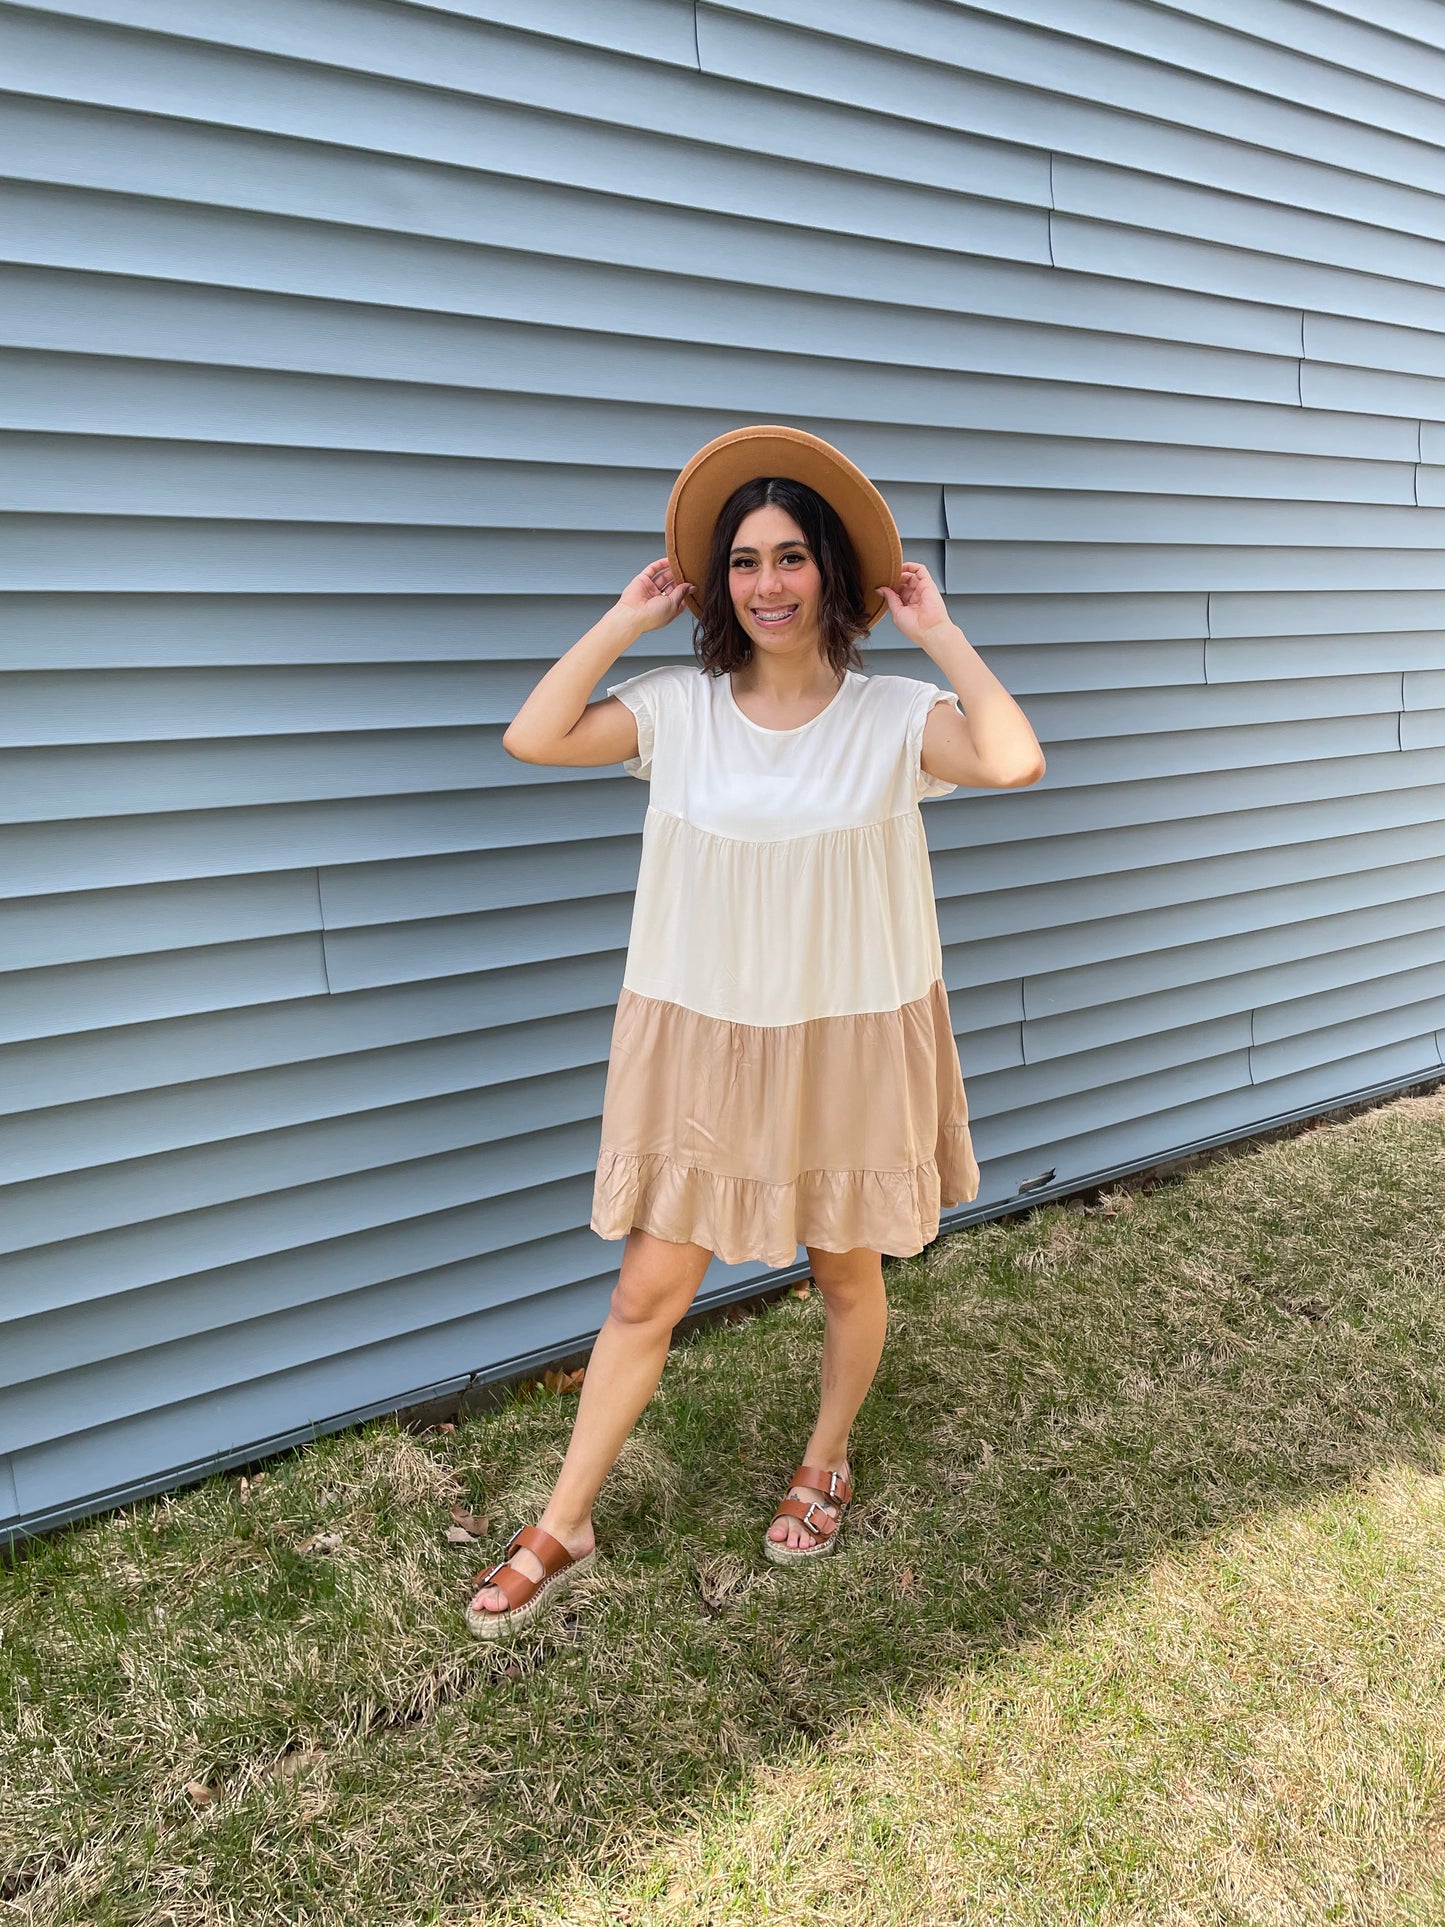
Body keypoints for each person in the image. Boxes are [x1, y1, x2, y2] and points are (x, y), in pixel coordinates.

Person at [466, 424, 1045, 1638]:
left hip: (843, 1035)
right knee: (645, 1291)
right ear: (717, 582)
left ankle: (823, 1457)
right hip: (706, 1041)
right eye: (743, 561)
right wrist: (625, 619)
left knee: (846, 1267)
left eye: (789, 557)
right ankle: (562, 1522)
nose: (767, 583)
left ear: (828, 572)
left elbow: (1012, 757)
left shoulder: (894, 714)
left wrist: (933, 627)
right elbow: (532, 733)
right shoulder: (675, 707)